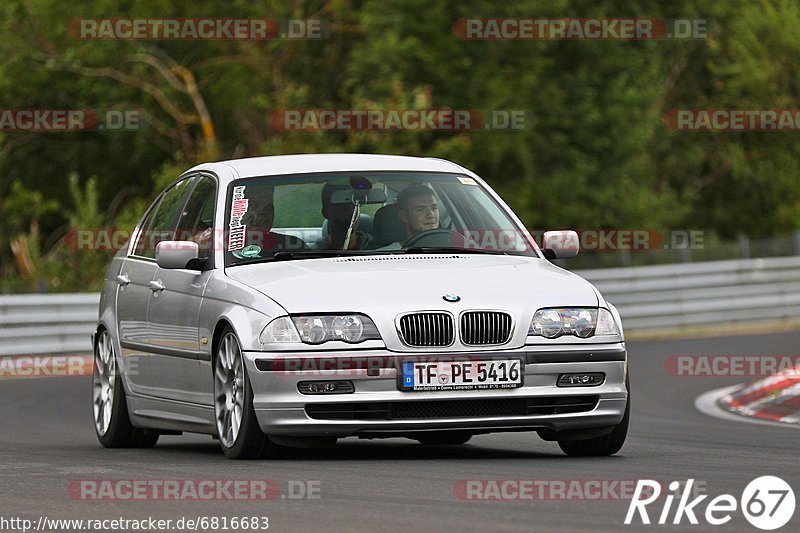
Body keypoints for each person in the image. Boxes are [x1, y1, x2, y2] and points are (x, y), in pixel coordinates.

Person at [237, 185, 306, 254]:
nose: (262, 213)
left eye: (268, 206)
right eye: (253, 206)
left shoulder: (293, 245)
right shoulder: (228, 249)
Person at [319, 183, 373, 250]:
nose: (349, 211)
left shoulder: (381, 251)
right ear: (326, 213)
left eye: (352, 205)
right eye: (340, 206)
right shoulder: (313, 255)